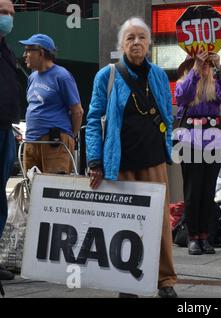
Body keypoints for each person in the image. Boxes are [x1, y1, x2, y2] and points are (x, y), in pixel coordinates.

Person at [85, 17, 177, 298]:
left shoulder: (159, 75)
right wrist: (95, 161)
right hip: (119, 163)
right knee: (125, 225)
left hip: (154, 160)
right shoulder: (107, 75)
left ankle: (166, 281)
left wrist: (167, 143)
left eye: (141, 37)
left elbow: (167, 113)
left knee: (160, 223)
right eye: (130, 38)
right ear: (122, 44)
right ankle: (128, 282)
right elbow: (92, 120)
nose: (136, 42)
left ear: (149, 43)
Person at [175, 49, 221, 255]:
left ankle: (204, 237)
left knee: (208, 191)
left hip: (213, 139)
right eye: (200, 63)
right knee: (193, 191)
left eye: (206, 64)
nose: (204, 67)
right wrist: (196, 70)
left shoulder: (215, 87)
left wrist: (219, 67)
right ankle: (192, 237)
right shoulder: (184, 84)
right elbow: (183, 97)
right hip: (190, 140)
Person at [18, 34, 83, 174]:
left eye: (28, 50)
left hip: (54, 143)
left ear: (41, 53)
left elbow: (77, 111)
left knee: (53, 190)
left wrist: (70, 136)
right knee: (30, 188)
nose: (24, 55)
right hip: (30, 141)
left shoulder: (62, 76)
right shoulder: (32, 77)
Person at [0, 0, 17, 283]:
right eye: (3, 13)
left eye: (12, 14)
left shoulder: (7, 51)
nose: (9, 18)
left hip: (6, 130)